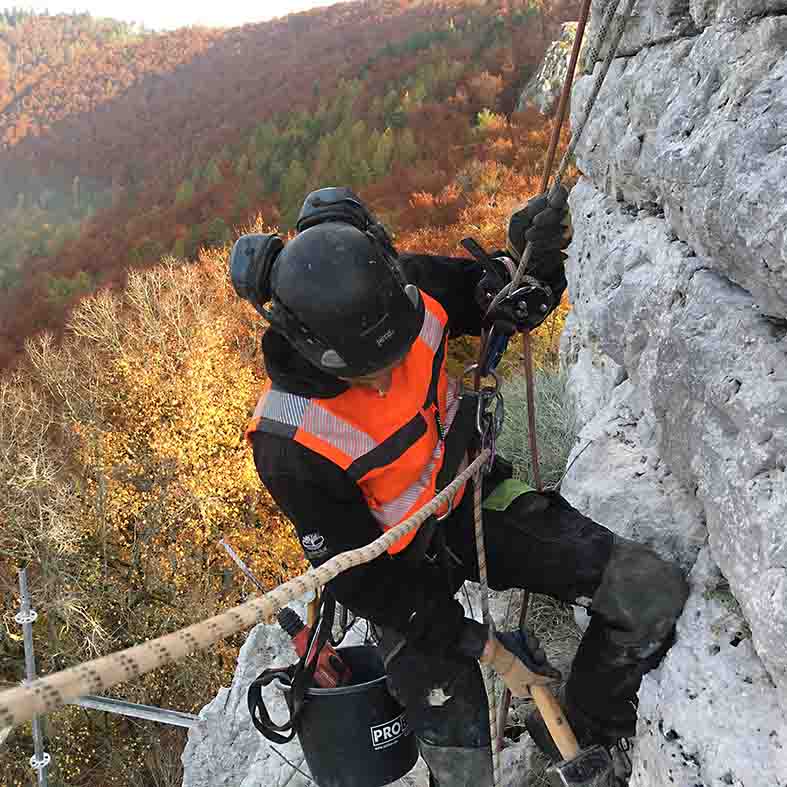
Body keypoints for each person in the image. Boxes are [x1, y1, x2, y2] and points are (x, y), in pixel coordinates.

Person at [233, 186, 688, 786]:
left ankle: (583, 728)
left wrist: (534, 261)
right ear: (315, 351)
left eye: (397, 352)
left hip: (471, 496)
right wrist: (486, 647)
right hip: (398, 574)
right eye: (369, 371)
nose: (390, 376)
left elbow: (499, 292)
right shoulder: (289, 441)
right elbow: (363, 580)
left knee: (647, 592)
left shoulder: (408, 289)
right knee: (458, 747)